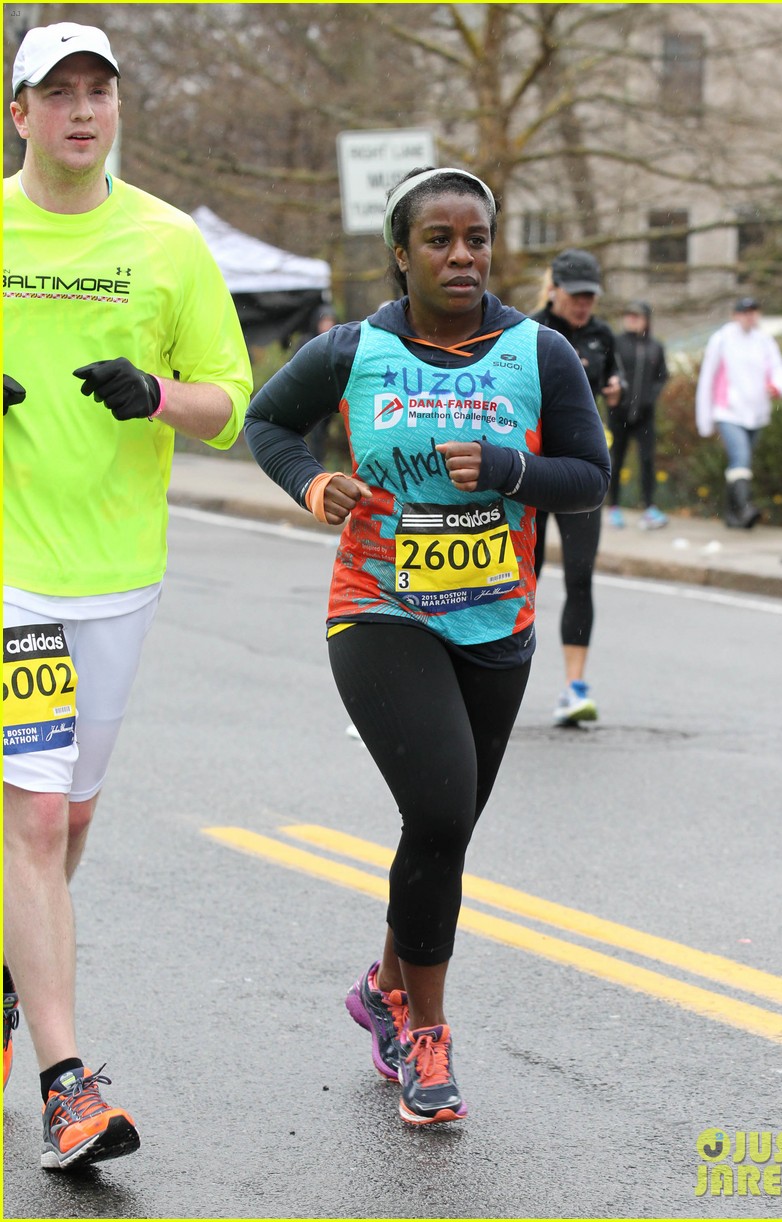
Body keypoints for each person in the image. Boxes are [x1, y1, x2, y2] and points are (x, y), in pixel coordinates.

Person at [245, 167, 610, 1126]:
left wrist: (512, 469)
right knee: (442, 808)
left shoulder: (540, 352)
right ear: (400, 254)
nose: (462, 256)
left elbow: (588, 478)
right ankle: (426, 1039)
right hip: (380, 607)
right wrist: (310, 483)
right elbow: (269, 423)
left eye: (476, 239)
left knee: (440, 830)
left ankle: (382, 986)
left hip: (498, 621)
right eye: (439, 240)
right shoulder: (354, 349)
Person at [3, 22, 252, 1170]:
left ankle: (15, 972)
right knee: (36, 815)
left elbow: (232, 403)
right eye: (58, 93)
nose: (82, 111)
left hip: (118, 573)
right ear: (20, 115)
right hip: (12, 571)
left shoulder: (167, 240)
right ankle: (68, 1082)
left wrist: (156, 392)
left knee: (73, 818)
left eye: (99, 91)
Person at [530, 249, 621, 725]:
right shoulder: (528, 333)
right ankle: (495, 674)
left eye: (591, 296)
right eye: (577, 295)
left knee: (580, 577)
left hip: (582, 473)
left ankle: (573, 687)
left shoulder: (603, 335)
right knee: (525, 574)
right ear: (555, 290)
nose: (585, 304)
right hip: (533, 471)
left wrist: (615, 390)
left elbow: (613, 382)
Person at [695, 296, 782, 528]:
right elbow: (708, 377)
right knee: (741, 457)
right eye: (745, 312)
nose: (749, 317)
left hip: (756, 412)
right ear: (735, 315)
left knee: (740, 464)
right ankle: (745, 508)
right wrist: (704, 418)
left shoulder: (764, 341)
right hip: (728, 411)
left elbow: (778, 368)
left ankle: (731, 514)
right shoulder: (722, 339)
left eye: (753, 312)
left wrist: (778, 386)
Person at [607, 301, 670, 530]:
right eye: (629, 315)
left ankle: (649, 507)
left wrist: (649, 398)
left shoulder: (655, 346)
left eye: (637, 316)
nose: (632, 319)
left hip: (645, 414)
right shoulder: (616, 343)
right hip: (618, 413)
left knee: (646, 459)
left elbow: (662, 376)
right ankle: (613, 507)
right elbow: (607, 372)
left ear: (646, 320)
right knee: (616, 459)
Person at [297, 303, 338, 464]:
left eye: (330, 321)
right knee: (314, 432)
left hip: (330, 396)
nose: (327, 325)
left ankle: (317, 463)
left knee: (322, 433)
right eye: (324, 321)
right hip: (310, 395)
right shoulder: (306, 342)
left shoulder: (339, 343)